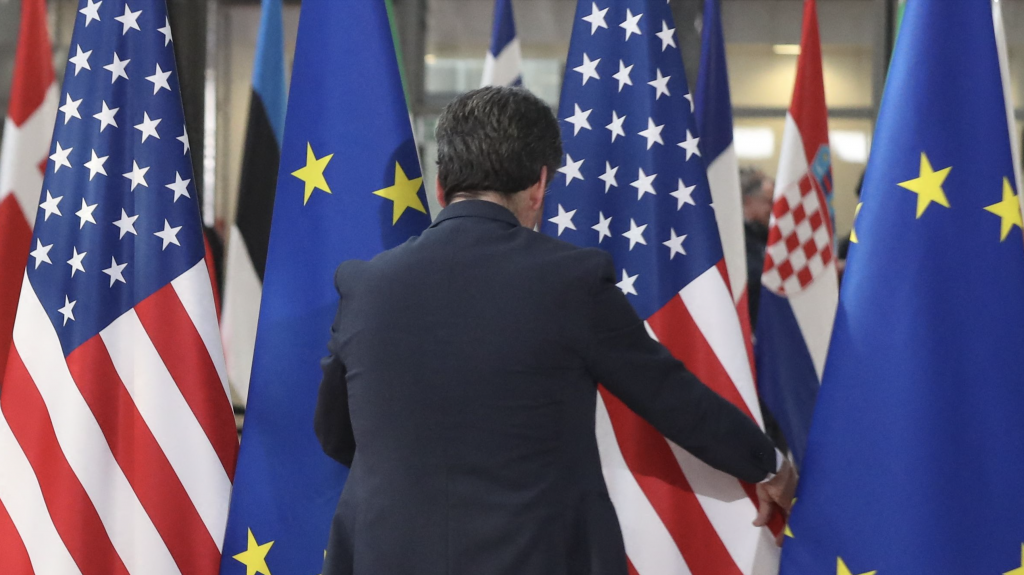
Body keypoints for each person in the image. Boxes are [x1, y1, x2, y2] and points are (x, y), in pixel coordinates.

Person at [314, 86, 797, 575]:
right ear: (540, 184)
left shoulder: (364, 286)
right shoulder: (572, 282)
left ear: (441, 186)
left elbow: (334, 435)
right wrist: (767, 464)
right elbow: (671, 397)